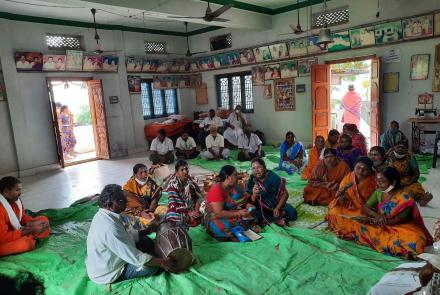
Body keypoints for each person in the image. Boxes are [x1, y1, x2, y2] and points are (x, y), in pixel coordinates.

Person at [85, 184, 174, 284]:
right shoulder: (109, 228)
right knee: (151, 268)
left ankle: (154, 257)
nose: (126, 202)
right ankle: (156, 260)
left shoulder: (109, 214)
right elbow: (134, 257)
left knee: (146, 240)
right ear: (110, 205)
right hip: (109, 272)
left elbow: (129, 232)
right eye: (121, 201)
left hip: (115, 254)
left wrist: (148, 230)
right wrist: (161, 262)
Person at [353, 167, 433, 258]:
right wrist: (377, 216)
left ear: (393, 182)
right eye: (377, 181)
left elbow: (396, 220)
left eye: (382, 182)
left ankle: (386, 245)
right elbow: (366, 207)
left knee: (416, 241)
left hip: (402, 227)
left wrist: (372, 220)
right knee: (360, 226)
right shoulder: (379, 192)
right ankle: (390, 246)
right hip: (382, 224)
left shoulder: (405, 198)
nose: (378, 184)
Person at [327, 157, 377, 240]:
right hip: (349, 207)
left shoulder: (374, 180)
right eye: (358, 168)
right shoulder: (349, 177)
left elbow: (378, 200)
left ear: (370, 171)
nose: (360, 171)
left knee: (361, 220)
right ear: (354, 167)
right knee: (334, 211)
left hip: (365, 210)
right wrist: (342, 197)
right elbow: (339, 196)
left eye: (365, 169)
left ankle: (353, 230)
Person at [0, 176, 50, 257]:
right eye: (17, 190)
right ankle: (33, 238)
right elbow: (2, 238)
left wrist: (33, 223)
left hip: (16, 231)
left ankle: (33, 236)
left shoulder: (16, 200)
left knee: (44, 220)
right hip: (3, 239)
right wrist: (27, 231)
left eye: (20, 190)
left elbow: (22, 217)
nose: (20, 193)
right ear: (6, 192)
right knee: (25, 243)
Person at [203, 165, 256, 241]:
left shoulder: (235, 187)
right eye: (235, 174)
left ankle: (240, 231)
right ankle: (232, 234)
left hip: (231, 212)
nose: (237, 177)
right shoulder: (216, 189)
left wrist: (247, 205)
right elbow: (218, 213)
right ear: (228, 177)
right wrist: (238, 213)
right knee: (225, 226)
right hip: (215, 216)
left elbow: (242, 201)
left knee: (251, 216)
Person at [247, 158, 297, 226]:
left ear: (264, 167)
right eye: (254, 168)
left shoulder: (273, 177)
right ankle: (277, 220)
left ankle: (276, 220)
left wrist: (277, 208)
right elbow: (250, 201)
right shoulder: (252, 179)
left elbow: (285, 194)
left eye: (259, 167)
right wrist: (254, 195)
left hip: (277, 205)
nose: (256, 171)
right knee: (251, 212)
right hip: (262, 207)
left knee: (293, 213)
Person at [387, 141, 433, 206]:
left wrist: (409, 182)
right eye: (399, 147)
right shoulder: (388, 157)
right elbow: (385, 172)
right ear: (394, 148)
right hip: (392, 180)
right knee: (389, 190)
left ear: (406, 149)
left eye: (403, 147)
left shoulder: (410, 157)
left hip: (407, 180)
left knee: (416, 188)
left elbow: (416, 173)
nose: (401, 148)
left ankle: (421, 199)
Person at [122, 163, 167, 229]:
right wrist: (141, 213)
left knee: (166, 210)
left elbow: (155, 200)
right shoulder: (128, 187)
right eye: (141, 173)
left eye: (146, 171)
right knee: (150, 221)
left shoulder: (151, 183)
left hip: (150, 209)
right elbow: (127, 206)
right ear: (135, 175)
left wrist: (150, 212)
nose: (145, 174)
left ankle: (154, 222)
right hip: (135, 212)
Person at [165, 160, 204, 227]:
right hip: (180, 210)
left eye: (186, 169)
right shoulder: (172, 186)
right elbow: (173, 205)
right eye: (182, 170)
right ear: (177, 173)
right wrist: (188, 213)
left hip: (192, 207)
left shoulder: (190, 180)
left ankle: (192, 219)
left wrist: (196, 210)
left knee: (207, 208)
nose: (185, 172)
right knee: (172, 216)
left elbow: (199, 197)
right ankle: (189, 220)